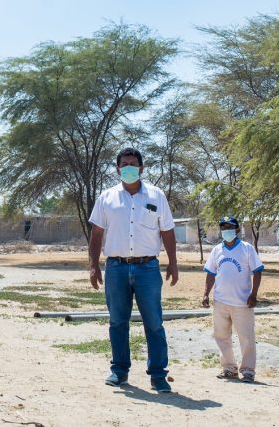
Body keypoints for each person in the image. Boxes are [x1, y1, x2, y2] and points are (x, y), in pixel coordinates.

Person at [88, 147, 178, 393]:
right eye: (124, 164)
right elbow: (97, 234)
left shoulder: (156, 196)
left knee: (154, 323)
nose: (128, 168)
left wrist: (173, 262)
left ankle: (158, 375)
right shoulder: (106, 198)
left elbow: (167, 231)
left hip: (148, 268)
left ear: (141, 168)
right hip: (116, 267)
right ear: (117, 169)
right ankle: (119, 371)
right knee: (118, 321)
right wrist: (94, 265)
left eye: (133, 164)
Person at [201, 216, 264, 383]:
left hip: (242, 302)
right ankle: (229, 368)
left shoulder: (247, 249)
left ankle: (248, 371)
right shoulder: (216, 250)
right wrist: (206, 294)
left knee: (247, 338)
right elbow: (211, 273)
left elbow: (257, 271)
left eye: (230, 227)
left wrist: (254, 294)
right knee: (221, 336)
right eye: (223, 227)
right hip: (221, 302)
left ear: (237, 229)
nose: (226, 230)